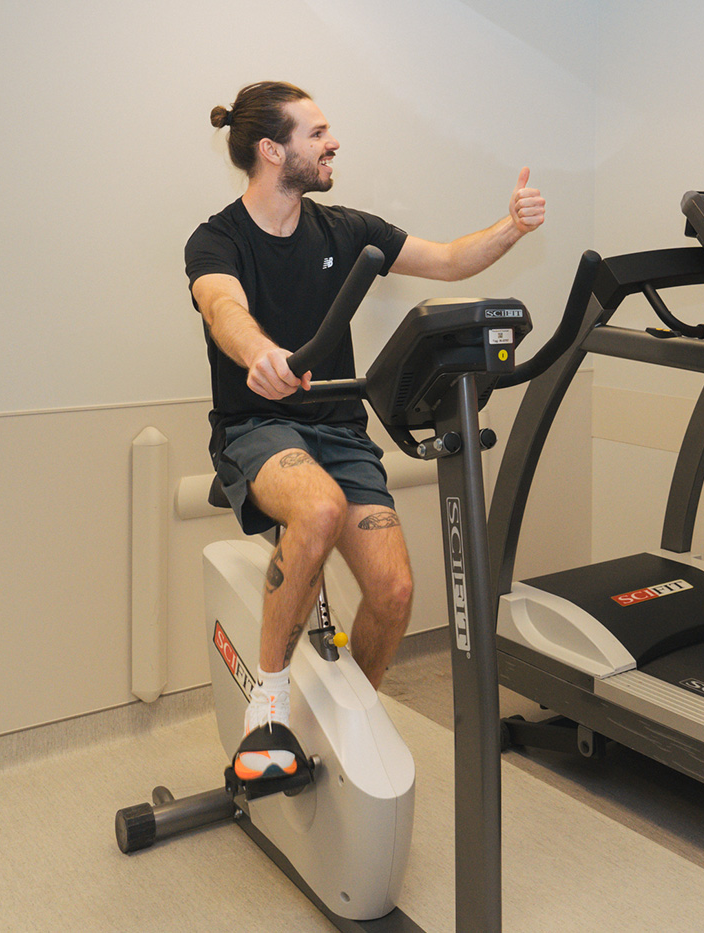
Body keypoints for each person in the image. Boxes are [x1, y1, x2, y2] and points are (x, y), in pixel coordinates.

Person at [185, 81, 546, 779]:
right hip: (258, 425)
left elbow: (447, 260)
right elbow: (222, 306)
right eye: (317, 133)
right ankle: (269, 702)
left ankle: (352, 712)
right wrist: (261, 355)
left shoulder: (344, 230)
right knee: (318, 508)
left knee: (393, 591)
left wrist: (511, 228)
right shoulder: (217, 238)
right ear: (272, 150)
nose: (333, 143)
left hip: (340, 428)